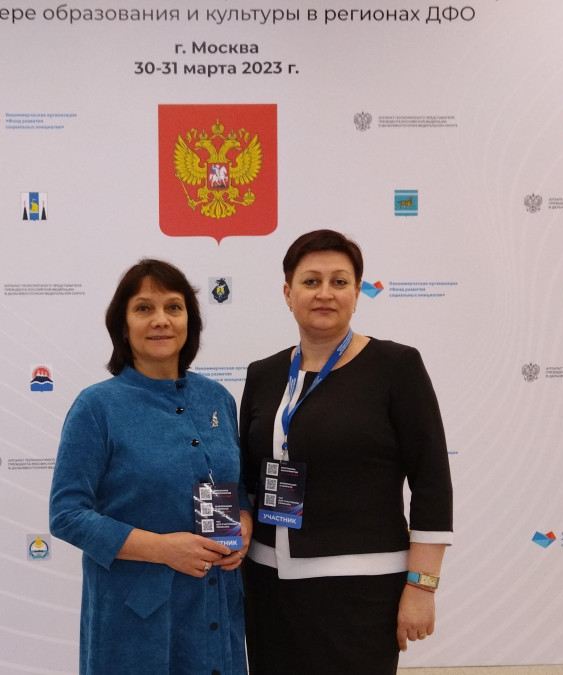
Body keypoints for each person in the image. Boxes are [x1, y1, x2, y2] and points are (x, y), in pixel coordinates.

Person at [239, 230, 453, 674]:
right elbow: (248, 475)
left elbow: (432, 483)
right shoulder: (264, 374)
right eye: (311, 281)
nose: (325, 293)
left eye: (339, 282)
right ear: (288, 293)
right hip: (270, 586)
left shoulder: (396, 367)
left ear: (357, 293)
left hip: (362, 589)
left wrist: (422, 586)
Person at [50, 259, 252, 675]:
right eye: (144, 308)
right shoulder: (97, 406)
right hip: (134, 620)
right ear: (123, 327)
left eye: (173, 307)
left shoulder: (217, 398)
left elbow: (232, 483)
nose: (161, 320)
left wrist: (245, 519)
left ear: (189, 322)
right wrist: (162, 549)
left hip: (214, 609)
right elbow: (67, 514)